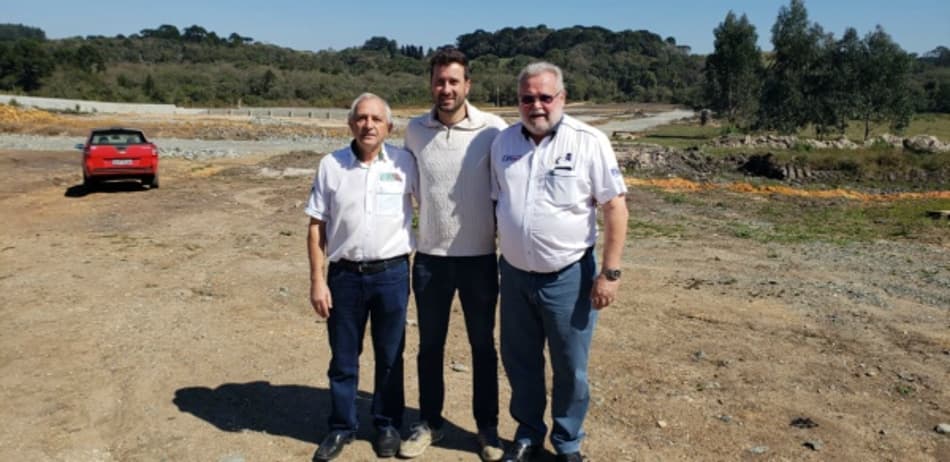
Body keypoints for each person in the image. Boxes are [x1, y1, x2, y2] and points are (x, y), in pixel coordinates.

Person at [490, 62, 629, 462]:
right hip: (515, 275)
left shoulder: (589, 141)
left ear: (562, 99)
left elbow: (615, 207)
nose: (536, 105)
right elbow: (498, 202)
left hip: (569, 276)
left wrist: (611, 272)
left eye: (545, 97)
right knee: (520, 361)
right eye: (527, 98)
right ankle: (528, 434)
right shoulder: (503, 145)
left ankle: (567, 442)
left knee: (570, 367)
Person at [399, 47, 508, 462]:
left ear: (468, 85)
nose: (446, 88)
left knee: (483, 345)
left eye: (453, 81)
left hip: (479, 257)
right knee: (430, 346)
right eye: (440, 81)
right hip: (430, 258)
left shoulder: (493, 130)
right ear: (431, 84)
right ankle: (430, 422)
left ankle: (488, 429)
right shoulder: (414, 130)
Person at [306, 93, 418, 461]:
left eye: (376, 119)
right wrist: (317, 280)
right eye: (362, 118)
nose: (369, 125)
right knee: (343, 358)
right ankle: (341, 427)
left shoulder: (405, 163)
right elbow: (316, 226)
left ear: (389, 126)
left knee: (390, 355)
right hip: (344, 277)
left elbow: (432, 206)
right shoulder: (331, 165)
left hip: (392, 274)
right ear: (351, 123)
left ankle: (386, 424)